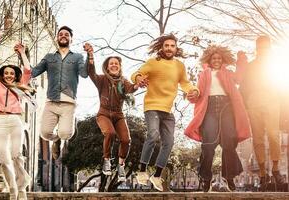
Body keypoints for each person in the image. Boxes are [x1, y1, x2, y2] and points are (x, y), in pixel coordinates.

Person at [131, 33, 199, 191]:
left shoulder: (179, 66)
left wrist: (194, 90)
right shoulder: (153, 62)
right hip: (152, 106)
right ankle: (142, 171)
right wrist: (139, 79)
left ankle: (157, 176)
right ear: (161, 47)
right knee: (153, 135)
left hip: (167, 111)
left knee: (169, 142)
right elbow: (136, 74)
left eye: (172, 46)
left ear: (176, 48)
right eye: (166, 45)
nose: (169, 48)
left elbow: (185, 83)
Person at [184, 45, 251, 192]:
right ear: (209, 59)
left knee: (229, 142)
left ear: (223, 60)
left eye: (219, 58)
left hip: (226, 107)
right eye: (214, 58)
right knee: (208, 144)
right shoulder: (204, 74)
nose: (216, 60)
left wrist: (241, 61)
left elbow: (239, 78)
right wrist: (193, 95)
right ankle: (206, 178)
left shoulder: (228, 73)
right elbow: (198, 92)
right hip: (209, 108)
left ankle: (230, 176)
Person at [83, 43, 139, 182]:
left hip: (119, 115)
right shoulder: (101, 80)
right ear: (107, 67)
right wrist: (90, 56)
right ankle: (107, 160)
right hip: (104, 114)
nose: (114, 65)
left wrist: (138, 84)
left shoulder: (122, 81)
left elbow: (130, 88)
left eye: (116, 64)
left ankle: (121, 165)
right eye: (111, 63)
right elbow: (91, 72)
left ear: (119, 67)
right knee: (110, 133)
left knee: (126, 140)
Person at [30, 26, 88, 159]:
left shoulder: (78, 57)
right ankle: (56, 139)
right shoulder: (49, 57)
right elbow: (33, 72)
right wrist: (22, 54)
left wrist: (90, 56)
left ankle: (61, 136)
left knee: (65, 134)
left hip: (68, 103)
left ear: (71, 39)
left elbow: (84, 74)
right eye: (60, 34)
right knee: (44, 133)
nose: (63, 36)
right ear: (57, 38)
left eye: (66, 34)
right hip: (51, 101)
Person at [0, 31, 33, 200]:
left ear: (15, 75)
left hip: (15, 121)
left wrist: (22, 53)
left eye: (11, 73)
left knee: (16, 155)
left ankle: (21, 189)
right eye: (6, 73)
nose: (8, 75)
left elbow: (28, 70)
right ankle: (13, 188)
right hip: (1, 120)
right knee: (3, 157)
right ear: (2, 75)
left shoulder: (20, 86)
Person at [239, 36, 285, 190]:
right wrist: (244, 105)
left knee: (273, 134)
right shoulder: (250, 66)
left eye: (266, 47)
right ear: (257, 49)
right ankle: (263, 174)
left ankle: (276, 169)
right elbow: (243, 87)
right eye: (260, 47)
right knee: (257, 138)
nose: (263, 50)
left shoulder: (277, 65)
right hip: (254, 103)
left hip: (272, 101)